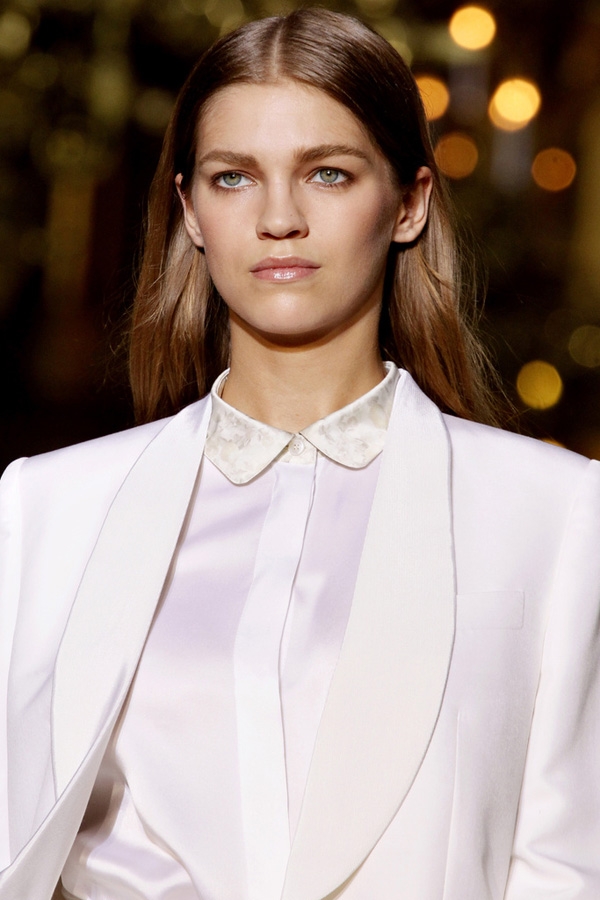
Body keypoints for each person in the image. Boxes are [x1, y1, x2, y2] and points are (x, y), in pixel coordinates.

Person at [1, 7, 599, 899]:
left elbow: (566, 866)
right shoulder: (48, 507)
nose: (279, 217)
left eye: (328, 173)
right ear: (190, 211)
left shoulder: (552, 512)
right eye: (234, 177)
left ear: (409, 203)